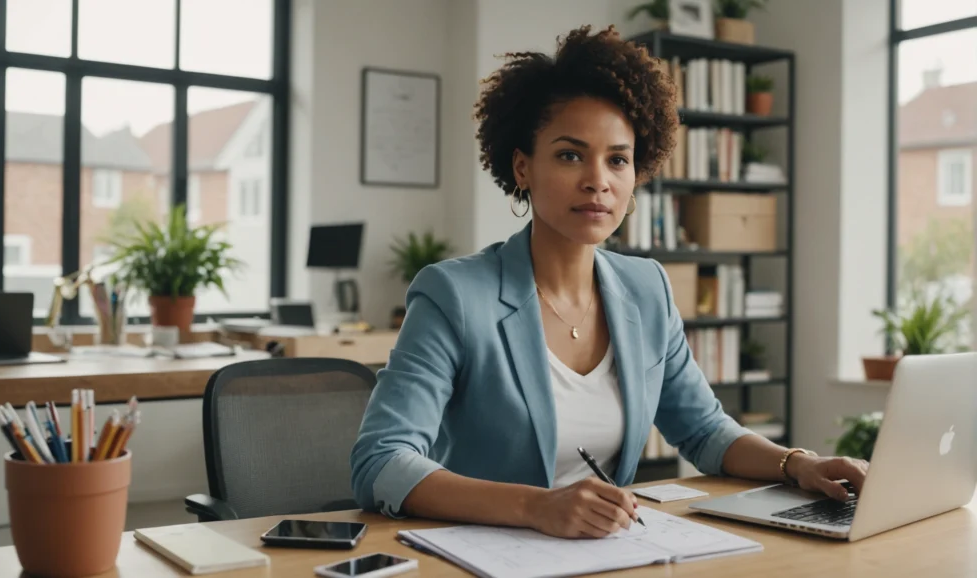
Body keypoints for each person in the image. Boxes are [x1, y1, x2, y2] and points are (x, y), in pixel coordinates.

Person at [350, 25, 868, 539]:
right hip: (483, 554)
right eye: (571, 155)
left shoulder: (647, 288)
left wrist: (796, 463)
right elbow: (381, 462)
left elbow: (706, 432)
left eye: (618, 159)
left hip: (605, 550)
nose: (598, 179)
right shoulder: (454, 295)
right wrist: (538, 507)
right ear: (523, 167)